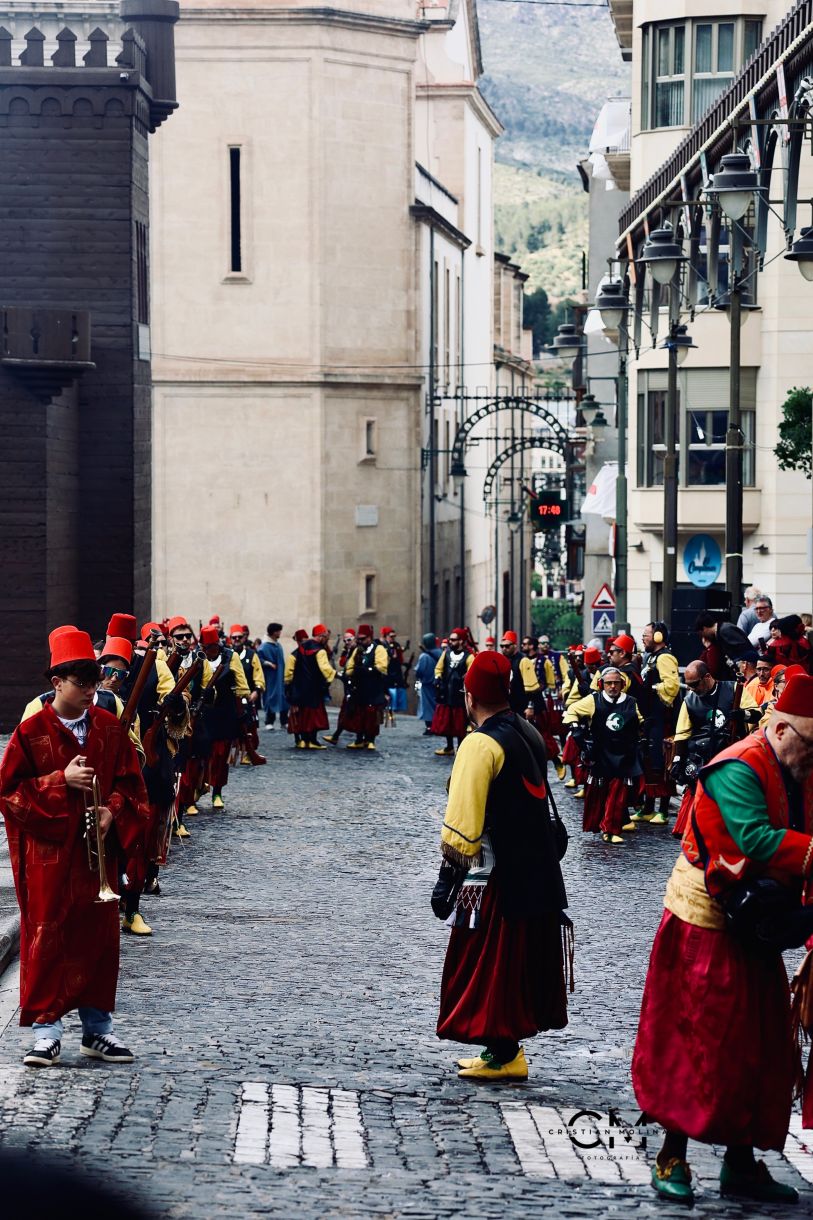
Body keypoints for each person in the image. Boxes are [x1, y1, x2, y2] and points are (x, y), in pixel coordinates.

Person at [632, 673, 813, 1207]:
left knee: (758, 1045)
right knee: (695, 1043)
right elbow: (754, 838)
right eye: (810, 747)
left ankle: (740, 1163)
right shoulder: (738, 766)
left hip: (753, 920)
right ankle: (671, 1156)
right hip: (705, 922)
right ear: (783, 730)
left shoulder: (794, 765)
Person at [0, 628, 149, 1068]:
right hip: (48, 858)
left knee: (98, 940)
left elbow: (132, 786)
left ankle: (97, 1030)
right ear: (57, 683)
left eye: (94, 681)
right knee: (47, 937)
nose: (90, 690)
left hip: (95, 858)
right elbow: (8, 794)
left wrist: (112, 811)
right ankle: (46, 1032)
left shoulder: (109, 728)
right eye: (81, 682)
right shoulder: (31, 732)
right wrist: (58, 782)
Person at [433, 650, 569, 1081]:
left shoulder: (479, 744)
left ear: (469, 696)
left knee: (489, 969)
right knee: (512, 967)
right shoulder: (528, 730)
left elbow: (462, 824)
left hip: (493, 877)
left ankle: (505, 1055)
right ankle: (501, 1051)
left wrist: (446, 881)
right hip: (537, 874)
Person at [670, 659, 760, 838]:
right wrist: (677, 760)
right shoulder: (689, 701)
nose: (692, 689)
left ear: (707, 677)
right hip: (701, 759)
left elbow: (757, 713)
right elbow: (682, 734)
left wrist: (743, 715)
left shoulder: (734, 689)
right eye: (688, 685)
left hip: (731, 756)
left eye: (694, 684)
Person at [562, 666, 644, 844]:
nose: (612, 686)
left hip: (624, 754)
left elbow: (640, 721)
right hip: (601, 754)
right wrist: (576, 727)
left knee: (618, 794)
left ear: (622, 684)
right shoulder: (593, 700)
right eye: (608, 683)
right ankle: (603, 825)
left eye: (616, 683)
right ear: (601, 684)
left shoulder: (631, 702)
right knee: (598, 794)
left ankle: (611, 830)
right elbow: (572, 710)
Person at [632, 622, 681, 827]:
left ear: (658, 636)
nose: (643, 638)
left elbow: (672, 686)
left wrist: (651, 689)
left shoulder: (665, 657)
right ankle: (648, 807)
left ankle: (663, 810)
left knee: (662, 762)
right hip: (650, 718)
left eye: (646, 635)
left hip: (662, 719)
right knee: (649, 761)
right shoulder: (650, 657)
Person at [199, 624, 251, 799]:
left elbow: (241, 684)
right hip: (203, 712)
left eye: (213, 646)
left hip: (225, 711)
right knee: (201, 754)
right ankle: (197, 790)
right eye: (207, 647)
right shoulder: (198, 657)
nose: (210, 650)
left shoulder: (230, 656)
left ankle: (217, 792)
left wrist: (243, 704)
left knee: (221, 755)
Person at [284, 626, 336, 749]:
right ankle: (312, 741)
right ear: (321, 636)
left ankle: (303, 740)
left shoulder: (298, 650)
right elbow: (325, 668)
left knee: (302, 715)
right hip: (314, 689)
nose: (326, 640)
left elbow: (288, 673)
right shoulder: (320, 650)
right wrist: (333, 676)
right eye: (326, 637)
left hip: (299, 688)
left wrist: (289, 686)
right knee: (314, 717)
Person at [341, 625, 389, 750]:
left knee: (372, 716)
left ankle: (370, 740)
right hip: (359, 688)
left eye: (363, 639)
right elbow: (349, 667)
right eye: (359, 639)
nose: (361, 641)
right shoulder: (358, 650)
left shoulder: (379, 649)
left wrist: (367, 670)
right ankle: (359, 740)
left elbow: (382, 667)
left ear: (369, 637)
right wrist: (352, 672)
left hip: (374, 688)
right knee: (359, 714)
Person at [431, 629, 474, 755]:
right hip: (446, 692)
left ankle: (460, 748)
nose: (451, 641)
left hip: (459, 695)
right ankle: (449, 747)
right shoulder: (446, 654)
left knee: (460, 723)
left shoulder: (469, 657)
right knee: (447, 721)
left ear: (461, 641)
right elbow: (438, 668)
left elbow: (471, 673)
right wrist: (438, 677)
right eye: (450, 639)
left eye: (454, 639)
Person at [229, 624, 267, 765]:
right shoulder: (226, 654)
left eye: (239, 637)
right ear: (230, 639)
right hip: (231, 699)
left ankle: (248, 753)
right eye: (234, 638)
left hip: (247, 697)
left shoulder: (252, 655)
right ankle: (231, 754)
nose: (237, 640)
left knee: (249, 727)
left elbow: (259, 675)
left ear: (244, 638)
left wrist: (257, 690)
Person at [694, 611, 756, 679]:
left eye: (701, 634)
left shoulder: (725, 630)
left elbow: (744, 650)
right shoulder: (719, 634)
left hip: (749, 670)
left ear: (704, 628)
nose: (703, 637)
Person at [258, 622, 287, 729]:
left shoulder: (278, 645)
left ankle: (284, 721)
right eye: (279, 631)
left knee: (283, 698)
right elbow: (258, 659)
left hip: (279, 677)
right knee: (270, 697)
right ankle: (269, 721)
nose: (280, 633)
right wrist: (268, 663)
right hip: (270, 677)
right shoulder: (264, 646)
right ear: (274, 632)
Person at [415, 633, 441, 734]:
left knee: (427, 706)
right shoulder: (441, 653)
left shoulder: (424, 656)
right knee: (437, 704)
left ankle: (430, 727)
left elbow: (419, 671)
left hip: (427, 684)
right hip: (439, 684)